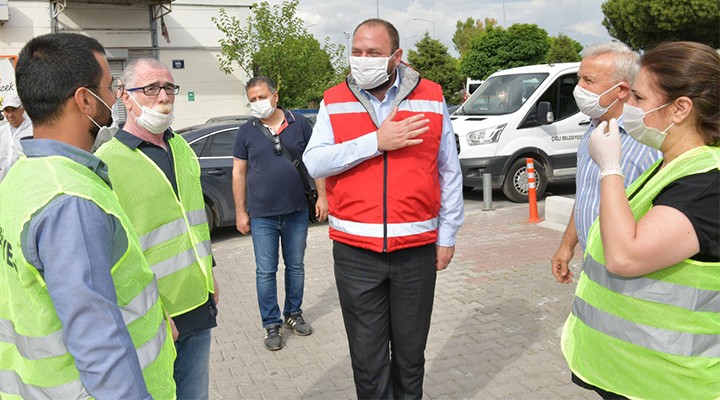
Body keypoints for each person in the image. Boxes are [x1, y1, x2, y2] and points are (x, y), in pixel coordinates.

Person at [0, 33, 175, 399]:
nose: (114, 97)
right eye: (110, 88)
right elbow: (98, 343)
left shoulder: (22, 175)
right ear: (85, 100)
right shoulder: (70, 200)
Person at [303, 18, 464, 399]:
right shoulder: (334, 98)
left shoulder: (431, 94)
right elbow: (315, 163)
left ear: (396, 56)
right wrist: (375, 141)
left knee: (410, 358)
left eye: (373, 53)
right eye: (357, 52)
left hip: (416, 251)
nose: (362, 60)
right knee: (368, 361)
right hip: (355, 253)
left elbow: (449, 170)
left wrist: (448, 235)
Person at [561, 41, 720, 399]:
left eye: (638, 98)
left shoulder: (706, 183)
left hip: (670, 383)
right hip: (627, 372)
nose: (627, 107)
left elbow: (625, 256)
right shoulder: (669, 164)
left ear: (680, 109)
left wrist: (611, 168)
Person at [95, 58, 218, 400]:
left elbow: (193, 224)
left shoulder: (180, 147)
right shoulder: (108, 162)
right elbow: (114, 255)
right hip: (153, 318)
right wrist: (150, 314)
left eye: (168, 88)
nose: (162, 97)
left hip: (197, 304)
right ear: (124, 96)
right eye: (150, 88)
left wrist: (210, 273)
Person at [232, 76, 328, 351]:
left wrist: (323, 196)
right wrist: (240, 211)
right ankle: (271, 324)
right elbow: (239, 172)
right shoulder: (246, 131)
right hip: (262, 215)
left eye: (261, 97)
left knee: (295, 266)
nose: (257, 103)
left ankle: (293, 315)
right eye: (252, 100)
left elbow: (316, 162)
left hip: (296, 210)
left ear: (275, 95)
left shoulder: (300, 124)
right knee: (265, 271)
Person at [551, 42, 660, 284]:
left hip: (633, 274)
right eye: (579, 79)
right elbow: (586, 195)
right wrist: (567, 245)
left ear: (621, 90)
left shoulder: (648, 142)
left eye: (588, 81)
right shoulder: (592, 130)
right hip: (594, 263)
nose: (578, 88)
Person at [0, 92, 33, 180]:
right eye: (7, 110)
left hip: (23, 183)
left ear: (22, 109)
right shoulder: (1, 131)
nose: (10, 115)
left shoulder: (33, 130)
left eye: (13, 109)